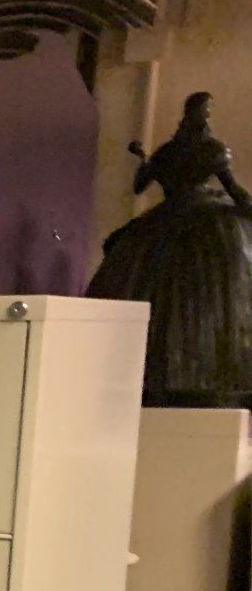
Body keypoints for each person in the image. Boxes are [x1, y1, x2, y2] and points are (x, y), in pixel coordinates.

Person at [89, 91, 252, 404]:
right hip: (205, 224)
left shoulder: (167, 153)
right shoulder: (210, 150)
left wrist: (148, 165)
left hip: (165, 221)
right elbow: (233, 188)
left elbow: (139, 186)